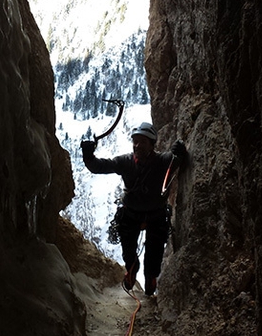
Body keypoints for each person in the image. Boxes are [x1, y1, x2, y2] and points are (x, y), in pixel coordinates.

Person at [80, 123, 186, 296]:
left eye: (142, 142)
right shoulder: (126, 162)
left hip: (152, 214)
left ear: (152, 144)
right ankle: (131, 269)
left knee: (155, 251)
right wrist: (88, 156)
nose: (137, 145)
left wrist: (178, 153)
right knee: (129, 249)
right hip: (136, 213)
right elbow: (100, 167)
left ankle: (150, 277)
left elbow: (177, 160)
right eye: (135, 142)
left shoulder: (162, 161)